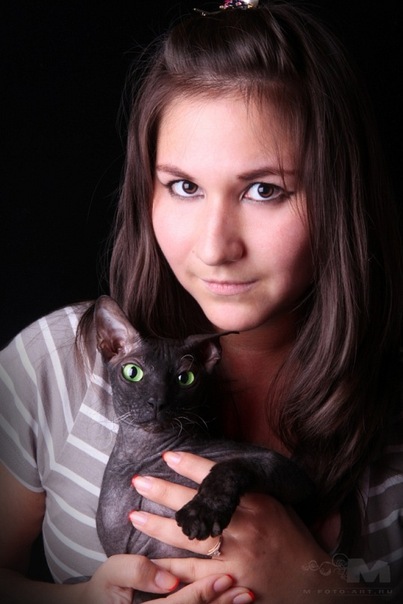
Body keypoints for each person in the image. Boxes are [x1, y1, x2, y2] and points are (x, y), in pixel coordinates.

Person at [1, 0, 402, 601]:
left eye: (264, 190)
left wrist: (321, 590)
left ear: (340, 196)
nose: (215, 247)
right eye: (184, 186)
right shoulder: (54, 362)